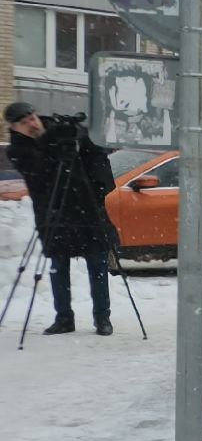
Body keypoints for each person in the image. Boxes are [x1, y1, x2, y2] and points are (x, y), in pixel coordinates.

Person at [5, 102, 118, 335]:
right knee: (59, 267)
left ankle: (102, 318)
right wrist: (55, 143)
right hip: (54, 213)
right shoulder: (17, 150)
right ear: (14, 128)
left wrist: (98, 187)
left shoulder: (68, 132)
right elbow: (41, 172)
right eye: (23, 122)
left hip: (87, 207)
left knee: (97, 264)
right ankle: (64, 318)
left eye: (31, 117)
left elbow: (97, 157)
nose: (30, 123)